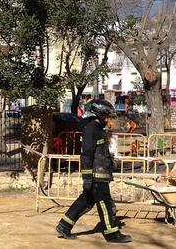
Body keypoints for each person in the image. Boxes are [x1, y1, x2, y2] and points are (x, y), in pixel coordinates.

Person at [55, 99, 131, 243]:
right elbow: (86, 154)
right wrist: (88, 177)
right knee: (105, 203)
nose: (110, 119)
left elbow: (99, 152)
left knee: (86, 201)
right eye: (108, 116)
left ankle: (64, 226)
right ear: (101, 115)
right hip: (97, 175)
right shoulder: (91, 129)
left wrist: (110, 162)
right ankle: (112, 234)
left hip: (100, 172)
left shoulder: (97, 129)